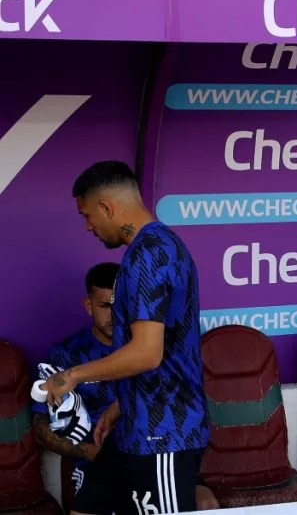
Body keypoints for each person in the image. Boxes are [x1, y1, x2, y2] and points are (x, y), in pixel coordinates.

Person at [42, 161, 209, 514]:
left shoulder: (149, 254)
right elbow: (161, 346)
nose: (88, 226)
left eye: (88, 215)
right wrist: (122, 405)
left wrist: (72, 376)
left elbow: (147, 353)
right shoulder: (153, 248)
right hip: (135, 425)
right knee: (86, 508)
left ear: (106, 207)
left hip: (163, 434)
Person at [33, 264, 218, 512]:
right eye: (105, 306)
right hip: (97, 463)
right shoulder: (67, 354)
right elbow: (41, 427)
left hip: (155, 455)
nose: (115, 314)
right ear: (89, 306)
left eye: (121, 304)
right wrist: (87, 451)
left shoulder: (151, 349)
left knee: (205, 502)